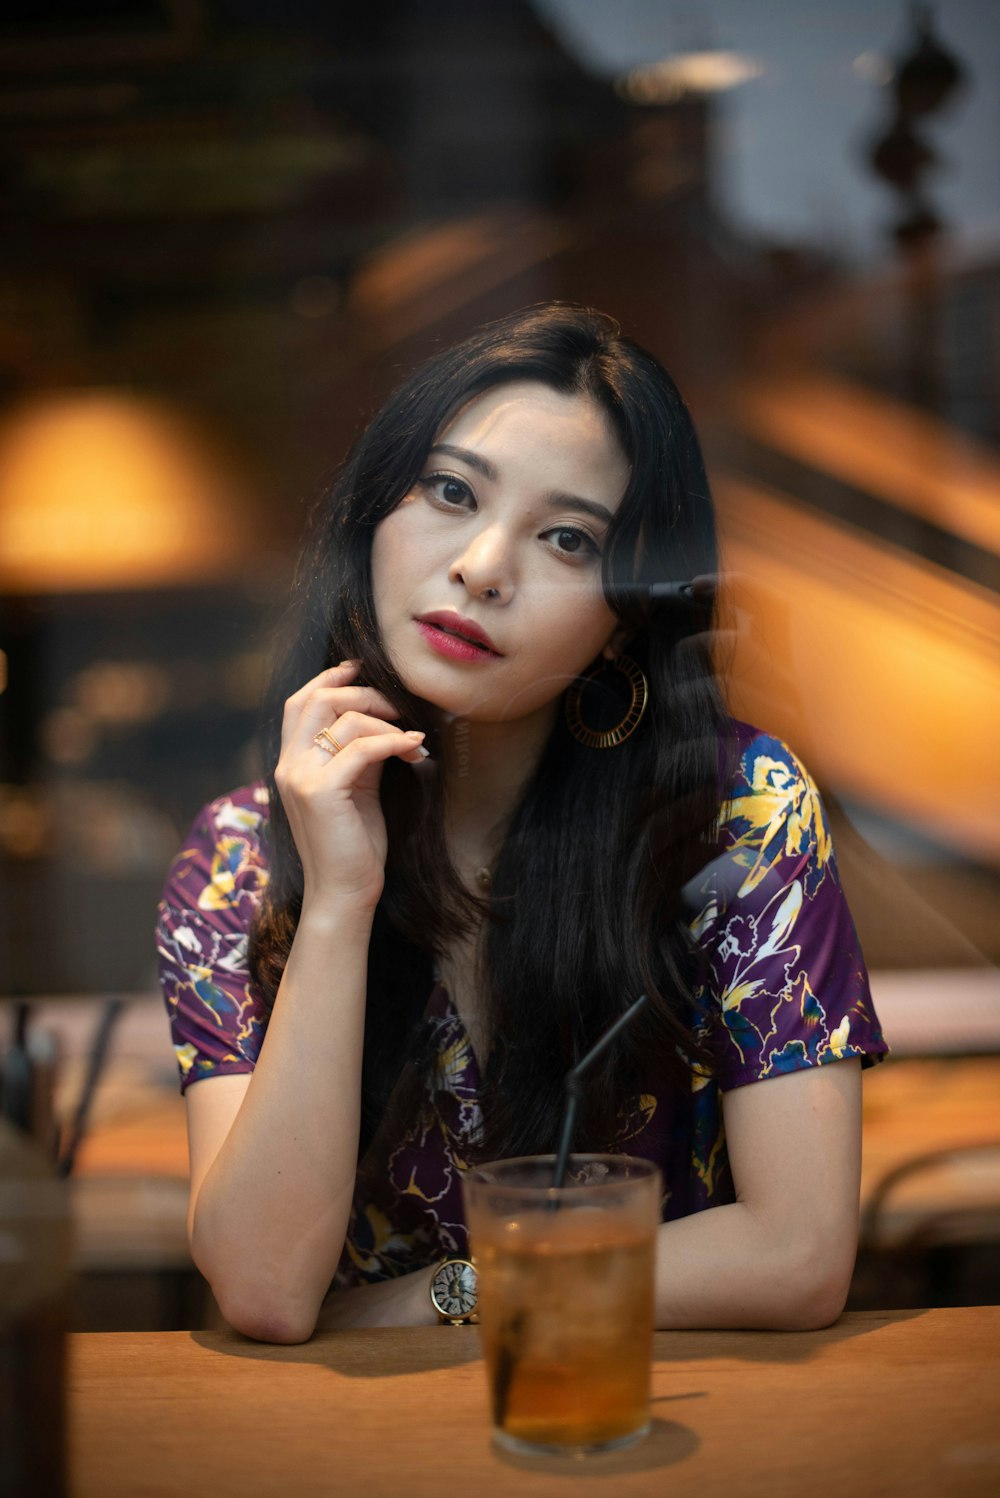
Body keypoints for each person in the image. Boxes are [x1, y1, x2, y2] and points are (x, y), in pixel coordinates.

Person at [156, 304, 887, 1344]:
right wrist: (338, 905)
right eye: (451, 492)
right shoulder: (234, 860)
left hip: (652, 1420)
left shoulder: (736, 813)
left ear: (622, 617)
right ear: (373, 514)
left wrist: (445, 1297)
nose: (484, 565)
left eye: (567, 538)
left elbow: (796, 1253)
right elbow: (267, 1289)